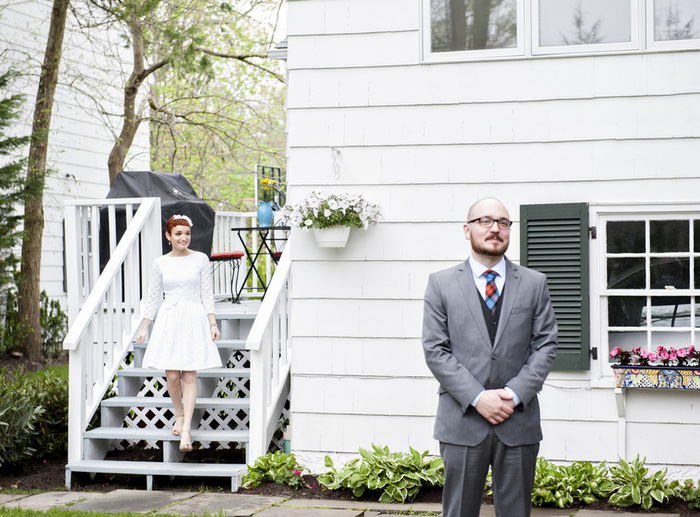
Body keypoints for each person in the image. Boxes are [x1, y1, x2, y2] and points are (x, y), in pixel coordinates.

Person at [422, 198, 558, 517]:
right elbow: (435, 349)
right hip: (462, 419)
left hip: (518, 419)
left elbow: (546, 345)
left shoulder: (534, 284)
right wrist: (478, 397)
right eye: (485, 221)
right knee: (459, 512)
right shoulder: (440, 284)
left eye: (503, 222)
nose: (495, 228)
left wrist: (512, 395)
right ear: (467, 230)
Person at [137, 214, 223, 452]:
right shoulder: (160, 263)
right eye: (178, 234)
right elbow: (153, 296)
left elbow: (207, 294)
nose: (183, 238)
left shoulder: (200, 260)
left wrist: (212, 323)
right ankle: (180, 413)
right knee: (173, 376)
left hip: (193, 319)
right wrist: (145, 326)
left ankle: (186, 432)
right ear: (168, 236)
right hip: (170, 320)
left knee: (189, 376)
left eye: (187, 233)